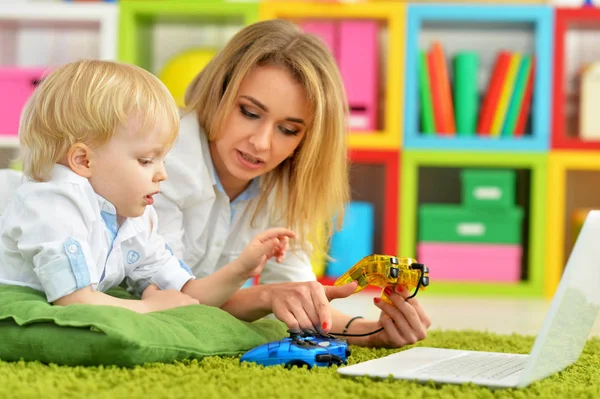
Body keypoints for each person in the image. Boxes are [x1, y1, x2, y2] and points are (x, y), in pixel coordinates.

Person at [154, 19, 431, 348]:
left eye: (288, 130)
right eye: (249, 112)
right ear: (219, 91)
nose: (261, 143)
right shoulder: (163, 160)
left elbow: (295, 293)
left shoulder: (283, 182)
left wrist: (372, 332)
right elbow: (171, 299)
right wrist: (269, 296)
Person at [0, 59, 295, 313]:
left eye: (162, 160)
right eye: (145, 161)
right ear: (83, 160)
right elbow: (74, 300)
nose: (162, 175)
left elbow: (188, 292)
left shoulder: (136, 219)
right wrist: (146, 307)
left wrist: (242, 268)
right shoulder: (55, 204)